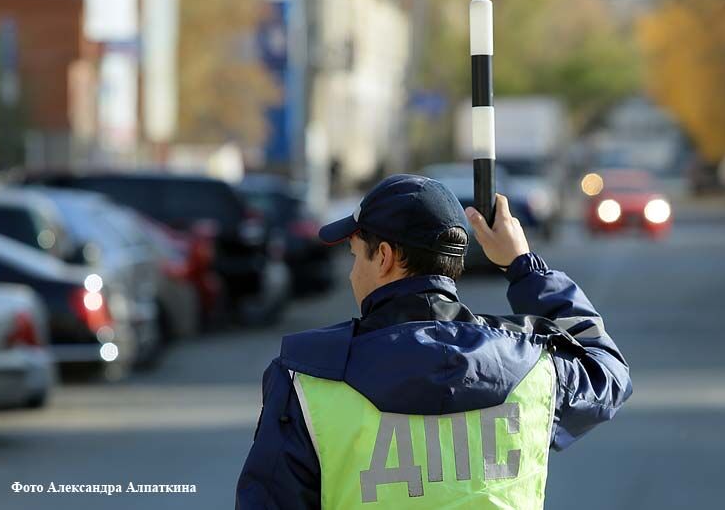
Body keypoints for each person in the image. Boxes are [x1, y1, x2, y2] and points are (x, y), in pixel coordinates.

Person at [235, 174, 632, 509]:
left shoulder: (307, 377)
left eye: (357, 256)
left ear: (386, 256)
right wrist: (524, 266)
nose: (353, 273)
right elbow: (609, 371)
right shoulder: (534, 364)